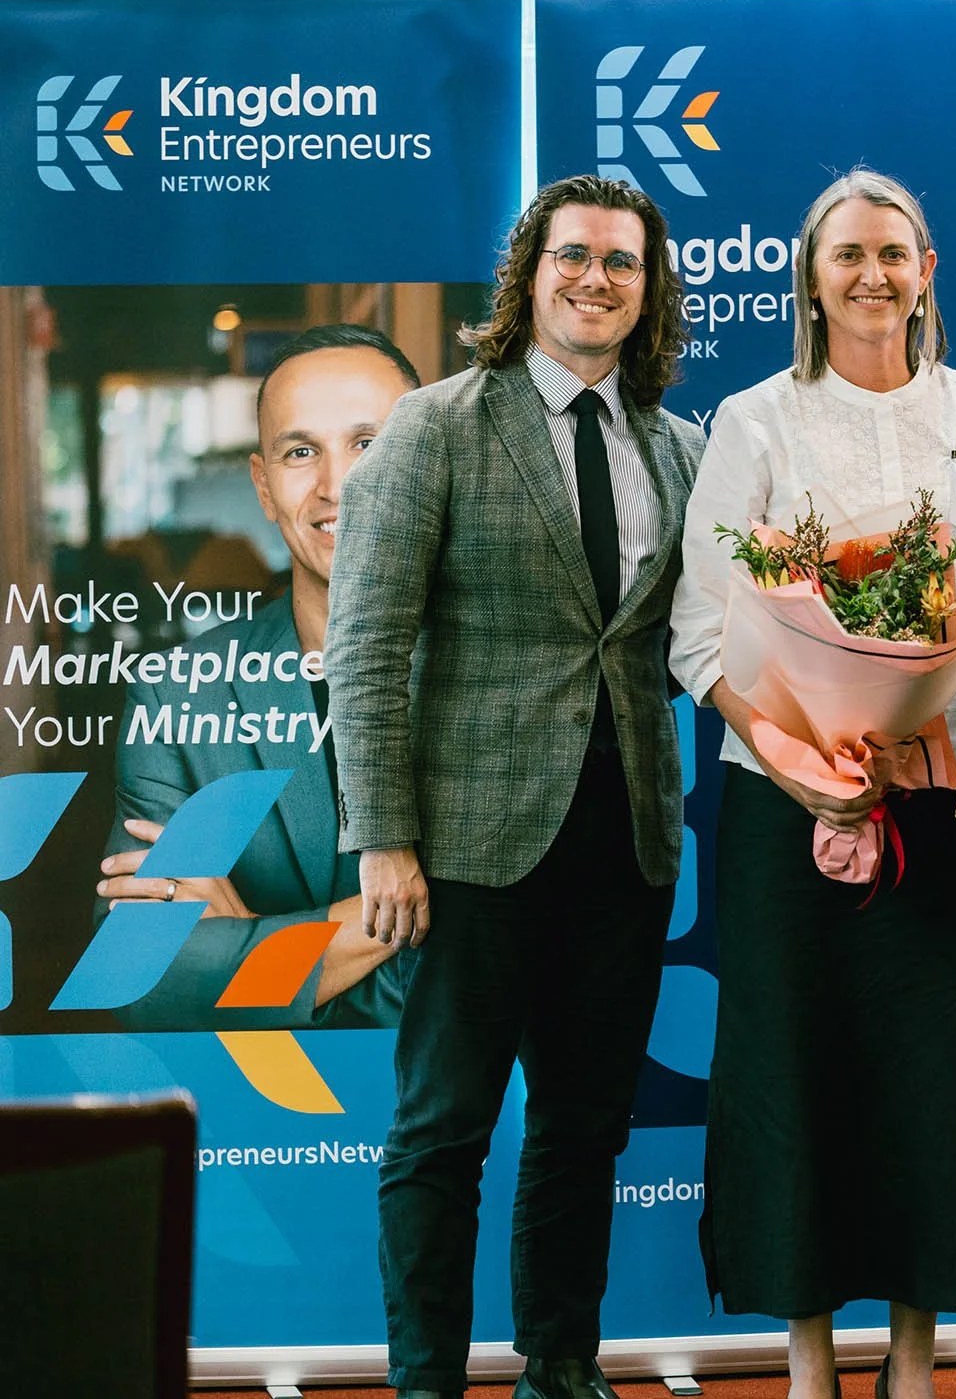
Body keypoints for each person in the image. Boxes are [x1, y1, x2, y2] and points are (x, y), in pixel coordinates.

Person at [667, 168, 956, 1399]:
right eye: (848, 254)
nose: (872, 273)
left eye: (894, 252)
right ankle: (804, 1362)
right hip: (786, 817)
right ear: (811, 275)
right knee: (793, 1077)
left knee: (933, 1079)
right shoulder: (755, 421)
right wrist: (805, 763)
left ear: (926, 270)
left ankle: (909, 1358)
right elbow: (698, 631)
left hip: (937, 807)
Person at [326, 174, 702, 1399]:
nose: (596, 279)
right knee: (442, 1133)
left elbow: (694, 648)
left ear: (649, 292)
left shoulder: (677, 446)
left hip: (629, 842)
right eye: (574, 256)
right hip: (467, 846)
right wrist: (380, 837)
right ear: (529, 273)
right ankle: (425, 1379)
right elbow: (369, 646)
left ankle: (560, 1363)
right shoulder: (434, 426)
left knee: (586, 1130)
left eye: (623, 263)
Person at [95, 323, 417, 1029]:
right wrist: (411, 917)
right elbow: (139, 972)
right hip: (254, 1130)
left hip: (475, 1124)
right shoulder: (179, 689)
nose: (339, 485)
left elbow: (499, 980)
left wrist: (249, 954)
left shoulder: (512, 676)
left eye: (370, 444)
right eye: (301, 451)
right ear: (263, 486)